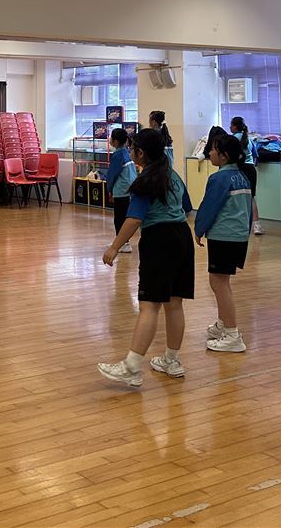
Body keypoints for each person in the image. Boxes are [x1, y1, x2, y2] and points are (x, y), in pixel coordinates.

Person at [98, 128, 194, 387]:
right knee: (174, 303)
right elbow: (187, 207)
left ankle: (131, 367)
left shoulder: (146, 180)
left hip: (159, 240)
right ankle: (172, 360)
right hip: (182, 237)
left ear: (141, 153)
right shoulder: (173, 175)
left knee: (149, 305)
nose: (130, 152)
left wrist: (114, 247)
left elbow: (134, 219)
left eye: (133, 148)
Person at [193, 133, 253, 353]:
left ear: (224, 155)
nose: (209, 152)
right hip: (238, 236)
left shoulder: (219, 179)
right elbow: (249, 210)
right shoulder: (242, 177)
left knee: (219, 283)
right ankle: (222, 323)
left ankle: (232, 334)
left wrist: (199, 228)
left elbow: (209, 206)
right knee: (221, 281)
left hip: (224, 236)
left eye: (212, 149)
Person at [230, 116, 265, 235]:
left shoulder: (233, 139)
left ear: (235, 127)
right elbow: (255, 155)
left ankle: (239, 223)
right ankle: (257, 226)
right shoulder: (249, 139)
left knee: (237, 196)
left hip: (239, 168)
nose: (230, 127)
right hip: (251, 169)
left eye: (231, 125)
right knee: (251, 197)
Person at [105, 128, 137, 254]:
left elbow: (112, 175)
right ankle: (120, 241)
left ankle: (124, 243)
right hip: (129, 189)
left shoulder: (118, 155)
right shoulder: (126, 152)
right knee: (123, 217)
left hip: (121, 190)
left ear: (116, 141)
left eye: (111, 137)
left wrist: (109, 189)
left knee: (119, 218)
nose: (110, 140)